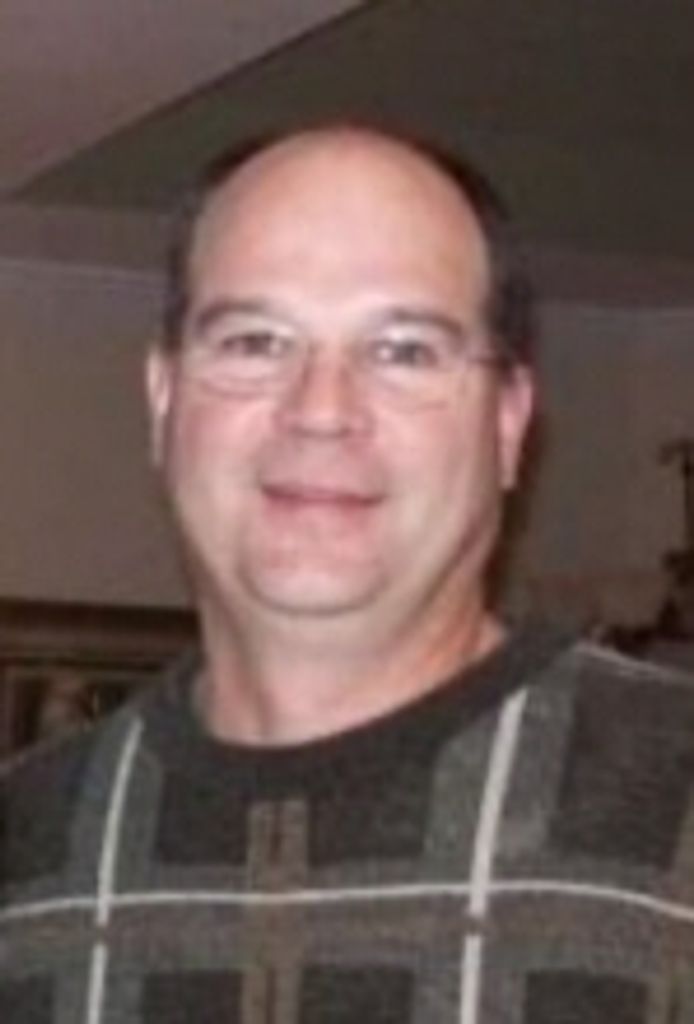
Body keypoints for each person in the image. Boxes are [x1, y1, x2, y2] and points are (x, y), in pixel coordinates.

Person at [3, 123, 694, 1023]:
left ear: (508, 423)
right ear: (164, 399)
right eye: (255, 341)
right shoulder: (24, 841)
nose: (322, 410)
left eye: (404, 351)